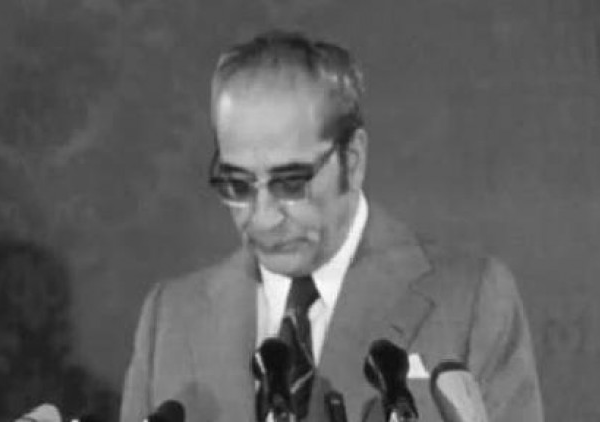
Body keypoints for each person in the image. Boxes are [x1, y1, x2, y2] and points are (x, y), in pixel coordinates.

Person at [120, 30, 543, 422]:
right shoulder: (169, 318)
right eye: (238, 184)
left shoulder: (470, 303)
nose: (263, 217)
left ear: (352, 161)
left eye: (291, 183)